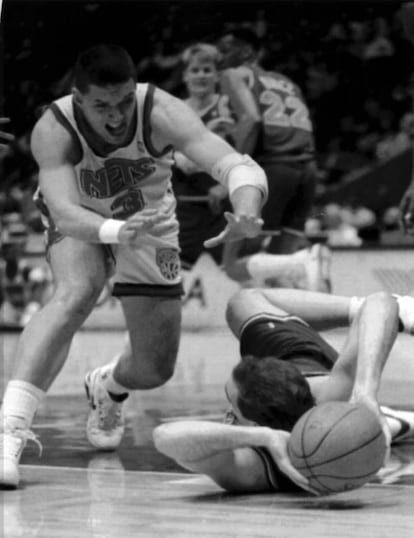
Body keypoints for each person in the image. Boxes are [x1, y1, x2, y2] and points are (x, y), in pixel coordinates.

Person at [0, 43, 269, 489]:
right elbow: (64, 211)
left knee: (155, 368)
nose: (116, 115)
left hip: (150, 221)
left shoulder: (162, 110)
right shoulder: (54, 127)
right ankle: (8, 431)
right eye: (102, 105)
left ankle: (108, 386)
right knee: (77, 291)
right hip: (82, 218)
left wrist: (247, 211)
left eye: (124, 101)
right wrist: (111, 231)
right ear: (78, 98)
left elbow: (237, 166)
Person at [154, 287, 414, 494]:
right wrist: (364, 390)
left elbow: (165, 436)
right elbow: (382, 300)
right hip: (307, 373)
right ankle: (384, 422)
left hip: (307, 377)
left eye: (231, 408)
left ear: (254, 423)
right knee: (242, 302)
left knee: (244, 301)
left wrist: (262, 439)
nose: (227, 417)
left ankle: (384, 422)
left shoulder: (251, 466)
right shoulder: (327, 397)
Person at [214, 28, 329, 291]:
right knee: (281, 261)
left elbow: (251, 118)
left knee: (233, 264)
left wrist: (233, 171)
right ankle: (287, 319)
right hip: (307, 170)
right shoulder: (287, 82)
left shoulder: (234, 74)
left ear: (245, 53)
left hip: (274, 169)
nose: (218, 58)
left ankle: (302, 265)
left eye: (223, 50)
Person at [172, 43, 235, 269]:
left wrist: (227, 186)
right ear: (185, 76)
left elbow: (249, 153)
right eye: (195, 70)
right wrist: (179, 157)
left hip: (223, 198)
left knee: (235, 269)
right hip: (187, 199)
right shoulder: (174, 109)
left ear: (217, 75)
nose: (201, 76)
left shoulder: (229, 106)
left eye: (207, 70)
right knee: (175, 270)